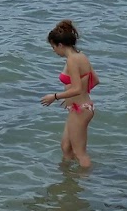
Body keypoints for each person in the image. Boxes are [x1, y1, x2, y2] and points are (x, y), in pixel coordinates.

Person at [40, 19, 97, 167]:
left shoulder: (72, 60)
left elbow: (77, 88)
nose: (54, 51)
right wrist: (71, 96)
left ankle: (85, 183)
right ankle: (69, 181)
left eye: (53, 47)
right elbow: (95, 80)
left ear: (60, 45)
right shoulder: (81, 56)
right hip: (81, 107)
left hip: (81, 109)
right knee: (66, 147)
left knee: (80, 153)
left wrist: (55, 96)